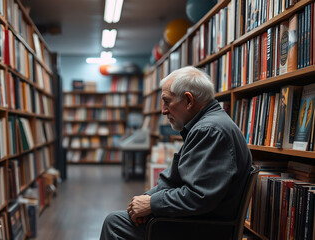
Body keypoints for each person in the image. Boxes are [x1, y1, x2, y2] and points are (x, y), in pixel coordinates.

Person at [100, 66, 252, 240]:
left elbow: (199, 196)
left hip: (203, 227)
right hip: (198, 220)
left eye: (167, 101)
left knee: (115, 224)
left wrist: (151, 204)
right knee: (121, 219)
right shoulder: (205, 126)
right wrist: (144, 201)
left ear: (188, 100)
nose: (164, 110)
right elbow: (175, 179)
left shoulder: (209, 130)